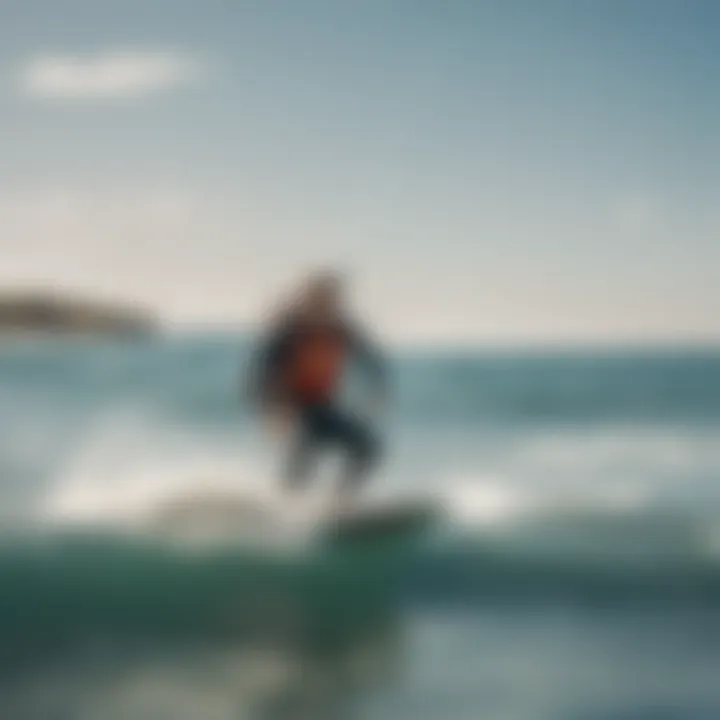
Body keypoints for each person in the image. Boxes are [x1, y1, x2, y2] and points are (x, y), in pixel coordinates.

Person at [246, 271, 388, 506]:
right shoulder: (290, 332)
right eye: (321, 298)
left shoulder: (342, 330)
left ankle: (341, 501)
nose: (328, 304)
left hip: (321, 405)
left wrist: (378, 389)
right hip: (290, 406)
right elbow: (261, 375)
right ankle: (286, 503)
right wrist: (271, 411)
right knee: (306, 446)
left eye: (333, 299)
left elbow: (371, 360)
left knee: (366, 447)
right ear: (308, 299)